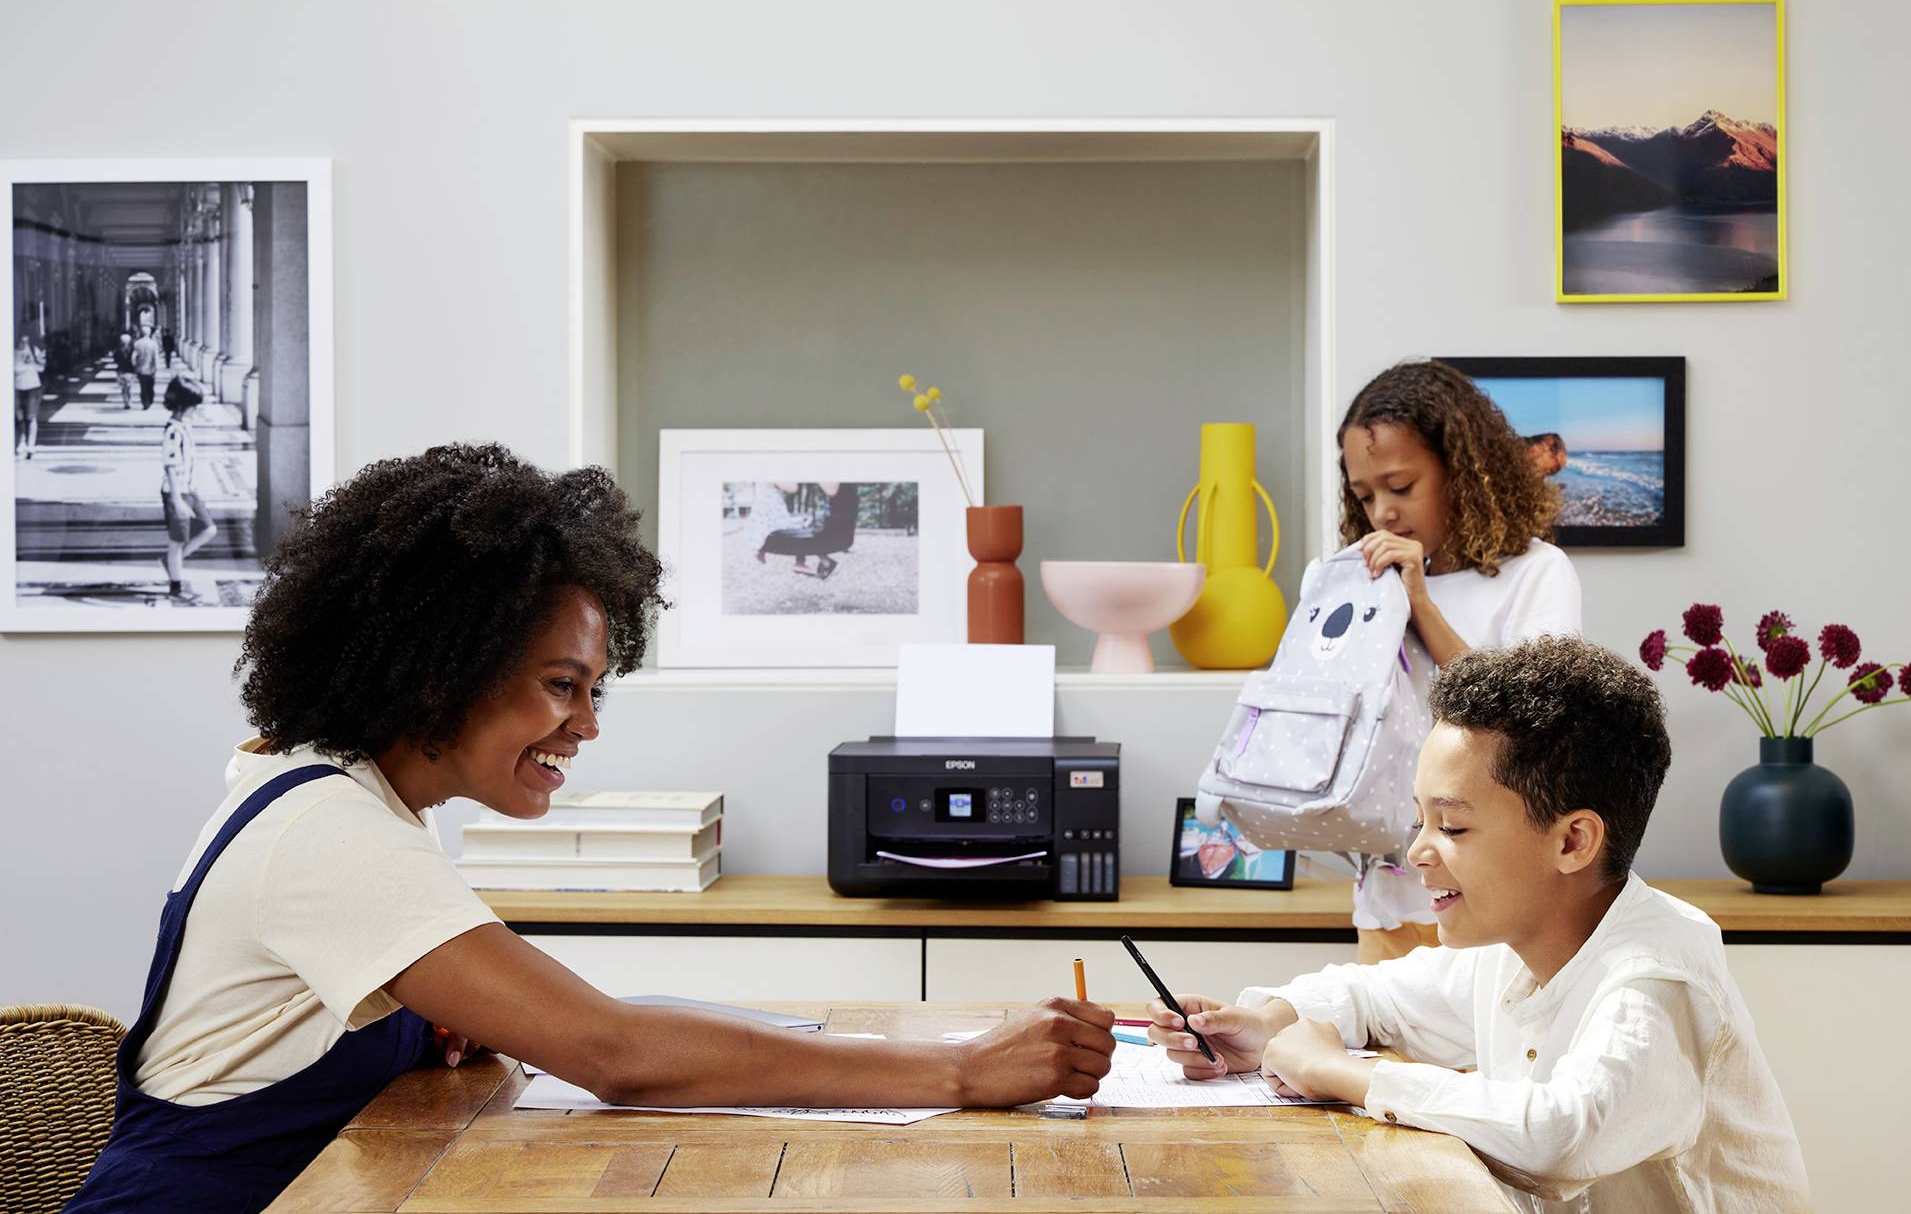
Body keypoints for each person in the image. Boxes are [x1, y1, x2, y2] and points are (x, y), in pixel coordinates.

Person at [68, 444, 1114, 1214]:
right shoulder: (329, 831)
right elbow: (613, 1051)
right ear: (440, 668)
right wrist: (962, 1072)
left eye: (596, 689)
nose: (587, 724)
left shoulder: (344, 797)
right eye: (562, 685)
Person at [1149, 637, 1811, 1213]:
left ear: (1571, 841)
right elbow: (1374, 997)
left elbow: (1559, 1137)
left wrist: (1344, 1073)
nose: (1416, 852)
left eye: (1453, 826)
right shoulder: (1511, 946)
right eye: (1420, 819)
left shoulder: (1654, 976)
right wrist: (1268, 1022)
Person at [1335, 359, 1582, 962]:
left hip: (1500, 900)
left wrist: (1419, 600)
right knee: (1377, 1056)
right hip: (1389, 891)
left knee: (1490, 1059)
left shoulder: (1536, 572)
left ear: (1464, 474)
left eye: (1401, 486)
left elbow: (1528, 720)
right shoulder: (1372, 581)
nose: (1382, 513)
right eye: (1365, 495)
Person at [158, 375, 217, 602]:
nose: (196, 409)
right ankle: (176, 586)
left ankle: (172, 562)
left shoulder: (184, 426)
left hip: (190, 491)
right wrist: (177, 501)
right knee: (177, 541)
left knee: (209, 529)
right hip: (177, 493)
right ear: (184, 404)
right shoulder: (173, 431)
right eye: (194, 405)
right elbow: (170, 467)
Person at [13, 333, 45, 458]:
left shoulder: (34, 351)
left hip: (33, 387)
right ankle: (22, 442)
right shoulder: (13, 352)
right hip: (17, 388)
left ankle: (31, 445)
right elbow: (14, 369)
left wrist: (33, 362)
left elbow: (41, 368)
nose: (23, 343)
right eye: (21, 340)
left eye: (26, 341)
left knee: (31, 417)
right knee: (19, 417)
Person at [132, 324, 162, 409]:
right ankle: (150, 399)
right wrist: (156, 368)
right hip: (151, 369)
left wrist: (135, 366)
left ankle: (145, 402)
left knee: (143, 387)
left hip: (141, 369)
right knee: (150, 386)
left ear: (141, 333)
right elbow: (155, 357)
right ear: (149, 333)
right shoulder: (153, 343)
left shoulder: (137, 343)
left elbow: (134, 357)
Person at [113, 331, 136, 408]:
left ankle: (126, 401)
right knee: (129, 387)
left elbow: (115, 360)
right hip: (131, 370)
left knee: (124, 387)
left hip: (121, 371)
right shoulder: (133, 349)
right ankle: (129, 401)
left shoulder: (118, 350)